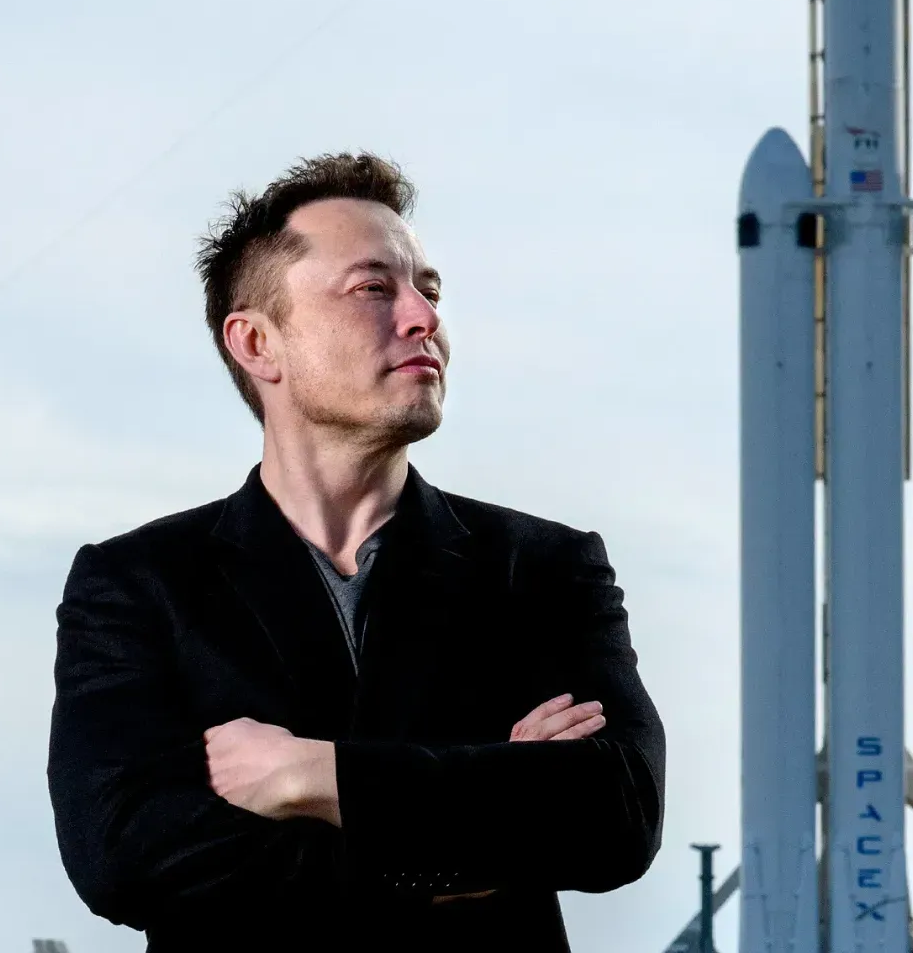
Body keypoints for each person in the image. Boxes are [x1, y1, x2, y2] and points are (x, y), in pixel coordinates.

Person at [47, 152, 665, 952]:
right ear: (258, 343)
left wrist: (312, 776)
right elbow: (124, 854)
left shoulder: (543, 568)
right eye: (375, 289)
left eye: (430, 290)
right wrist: (470, 844)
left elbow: (615, 814)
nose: (423, 317)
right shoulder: (139, 583)